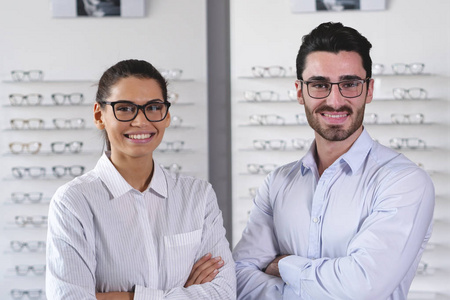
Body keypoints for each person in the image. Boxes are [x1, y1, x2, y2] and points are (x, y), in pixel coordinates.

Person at [232, 22, 434, 300]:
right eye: (319, 85)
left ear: (369, 90)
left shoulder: (404, 181)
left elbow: (364, 286)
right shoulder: (277, 183)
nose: (335, 100)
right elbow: (240, 279)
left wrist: (284, 265)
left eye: (350, 84)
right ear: (300, 92)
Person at [46, 59, 236, 299]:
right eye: (124, 108)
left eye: (154, 107)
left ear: (167, 116)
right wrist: (182, 293)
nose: (141, 121)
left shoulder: (198, 196)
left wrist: (123, 296)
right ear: (99, 115)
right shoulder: (74, 202)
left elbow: (223, 293)